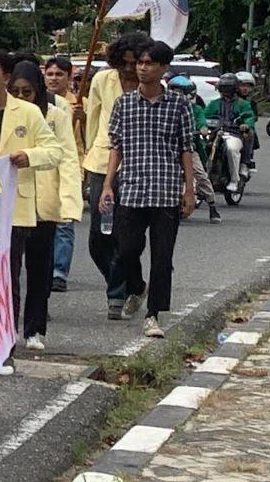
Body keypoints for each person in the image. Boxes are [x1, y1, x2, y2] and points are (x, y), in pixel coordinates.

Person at [0, 48, 61, 371]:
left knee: (6, 278)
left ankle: (4, 345)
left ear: (6, 77)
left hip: (13, 207)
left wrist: (29, 156)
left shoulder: (29, 113)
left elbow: (55, 151)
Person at [101, 40, 197, 339]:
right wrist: (107, 184)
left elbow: (186, 149)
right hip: (131, 188)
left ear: (163, 68)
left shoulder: (179, 105)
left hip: (166, 190)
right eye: (140, 63)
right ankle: (136, 286)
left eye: (149, 63)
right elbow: (116, 146)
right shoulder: (124, 104)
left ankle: (154, 314)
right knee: (126, 247)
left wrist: (189, 190)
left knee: (162, 257)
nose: (142, 68)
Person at [10, 62, 83, 352]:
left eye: (27, 91)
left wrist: (69, 200)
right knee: (9, 271)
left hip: (45, 201)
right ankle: (6, 330)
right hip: (13, 203)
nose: (21, 97)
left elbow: (66, 156)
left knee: (40, 270)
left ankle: (34, 328)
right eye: (15, 91)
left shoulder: (56, 112)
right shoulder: (2, 114)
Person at [79, 33, 144, 317]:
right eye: (124, 63)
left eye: (135, 62)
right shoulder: (102, 81)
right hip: (100, 160)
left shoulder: (153, 83)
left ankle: (116, 295)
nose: (130, 69)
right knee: (98, 237)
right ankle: (131, 284)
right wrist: (87, 159)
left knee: (124, 235)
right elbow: (93, 120)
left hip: (137, 165)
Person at [43, 56, 82, 290]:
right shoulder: (37, 102)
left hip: (71, 163)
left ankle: (59, 271)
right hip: (44, 170)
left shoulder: (77, 102)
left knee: (64, 222)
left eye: (59, 74)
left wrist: (82, 119)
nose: (54, 78)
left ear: (68, 77)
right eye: (50, 74)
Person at [172, 75, 218, 223]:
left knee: (200, 175)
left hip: (190, 149)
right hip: (169, 150)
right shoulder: (165, 108)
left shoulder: (196, 109)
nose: (176, 95)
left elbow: (201, 121)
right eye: (173, 91)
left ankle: (212, 205)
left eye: (179, 92)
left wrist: (203, 128)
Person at [205, 73, 256, 189]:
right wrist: (202, 126)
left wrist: (245, 124)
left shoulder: (243, 104)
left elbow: (249, 117)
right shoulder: (214, 104)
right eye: (223, 87)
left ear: (235, 88)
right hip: (216, 134)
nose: (226, 90)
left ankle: (234, 180)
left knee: (231, 148)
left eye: (229, 87)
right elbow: (203, 116)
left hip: (234, 134)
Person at [235, 71, 259, 168]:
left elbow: (253, 118)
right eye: (242, 85)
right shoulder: (228, 100)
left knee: (250, 134)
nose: (245, 88)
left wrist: (246, 124)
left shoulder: (251, 103)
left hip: (243, 129)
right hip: (228, 127)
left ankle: (247, 160)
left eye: (248, 86)